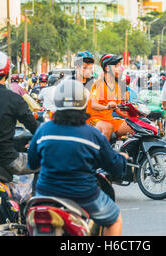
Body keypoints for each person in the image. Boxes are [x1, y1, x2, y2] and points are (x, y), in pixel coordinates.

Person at [27, 79, 128, 236]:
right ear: (83, 103)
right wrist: (122, 158)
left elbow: (32, 162)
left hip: (44, 195)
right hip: (83, 196)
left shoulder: (43, 130)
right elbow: (114, 166)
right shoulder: (92, 134)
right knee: (115, 219)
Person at [86, 54, 133, 140]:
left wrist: (133, 115)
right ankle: (102, 153)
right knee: (108, 127)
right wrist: (106, 107)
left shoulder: (118, 86)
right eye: (116, 66)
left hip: (109, 119)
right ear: (107, 68)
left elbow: (117, 109)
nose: (120, 68)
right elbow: (94, 105)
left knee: (134, 126)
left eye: (120, 65)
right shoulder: (99, 84)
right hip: (93, 119)